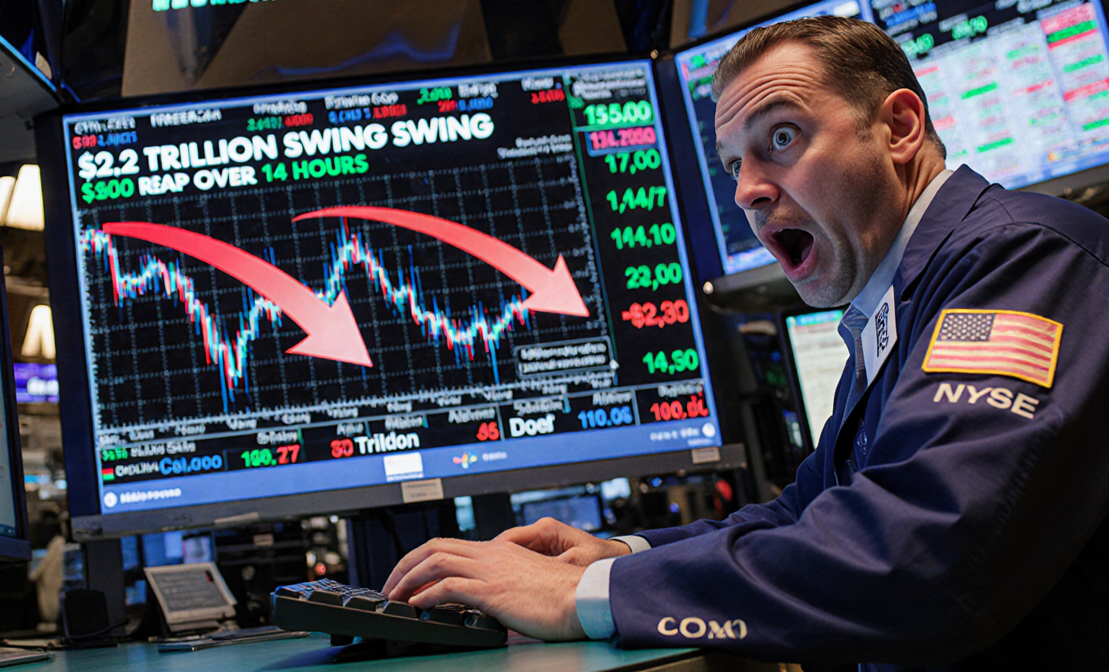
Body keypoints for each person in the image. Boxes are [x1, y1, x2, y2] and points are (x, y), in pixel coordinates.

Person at [383, 16, 1109, 672]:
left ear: (899, 127)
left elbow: (919, 557)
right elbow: (807, 513)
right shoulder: (901, 300)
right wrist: (619, 554)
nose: (748, 193)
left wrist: (585, 595)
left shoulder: (1024, 261)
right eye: (735, 165)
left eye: (783, 138)